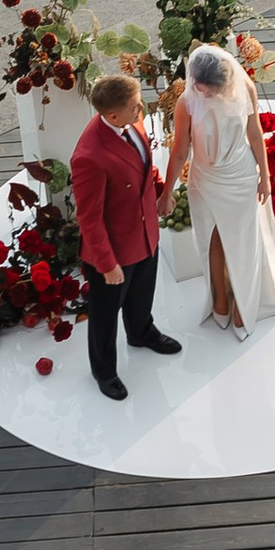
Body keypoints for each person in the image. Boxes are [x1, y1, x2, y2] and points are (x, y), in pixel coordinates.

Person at [159, 43, 275, 333]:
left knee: (243, 241)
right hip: (204, 179)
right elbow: (179, 152)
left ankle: (244, 305)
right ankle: (220, 302)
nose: (205, 94)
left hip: (239, 177)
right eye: (199, 87)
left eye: (210, 88)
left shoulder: (245, 88)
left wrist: (263, 177)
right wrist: (167, 193)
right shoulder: (186, 101)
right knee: (212, 238)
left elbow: (254, 133)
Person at [69, 72, 180, 399]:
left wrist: (161, 192)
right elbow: (89, 218)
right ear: (113, 115)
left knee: (142, 293)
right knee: (104, 316)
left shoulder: (134, 120)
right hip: (114, 253)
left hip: (144, 234)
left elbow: (145, 165)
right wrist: (107, 264)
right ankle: (103, 371)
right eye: (135, 106)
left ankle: (142, 333)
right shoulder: (89, 156)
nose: (141, 108)